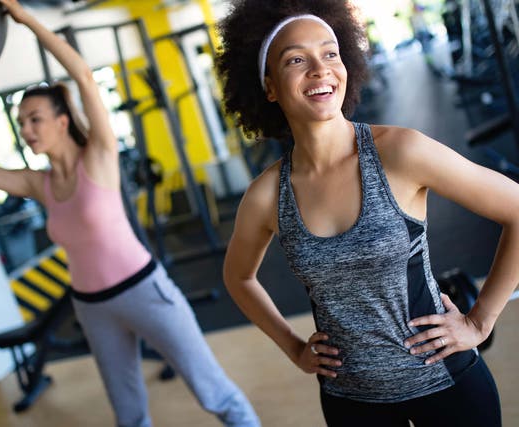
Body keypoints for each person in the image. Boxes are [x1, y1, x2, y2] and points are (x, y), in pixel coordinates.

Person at [0, 1, 260, 426]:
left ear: (63, 121)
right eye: (21, 122)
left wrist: (27, 19)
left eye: (34, 120)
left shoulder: (98, 157)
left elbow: (84, 76)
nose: (26, 131)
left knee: (212, 391)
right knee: (128, 413)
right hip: (92, 308)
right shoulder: (38, 184)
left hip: (145, 292)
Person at [216, 0, 519, 426]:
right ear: (270, 86)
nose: (320, 70)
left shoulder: (400, 152)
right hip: (349, 402)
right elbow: (238, 277)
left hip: (448, 386)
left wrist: (481, 320)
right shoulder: (267, 195)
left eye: (330, 53)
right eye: (296, 60)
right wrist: (294, 347)